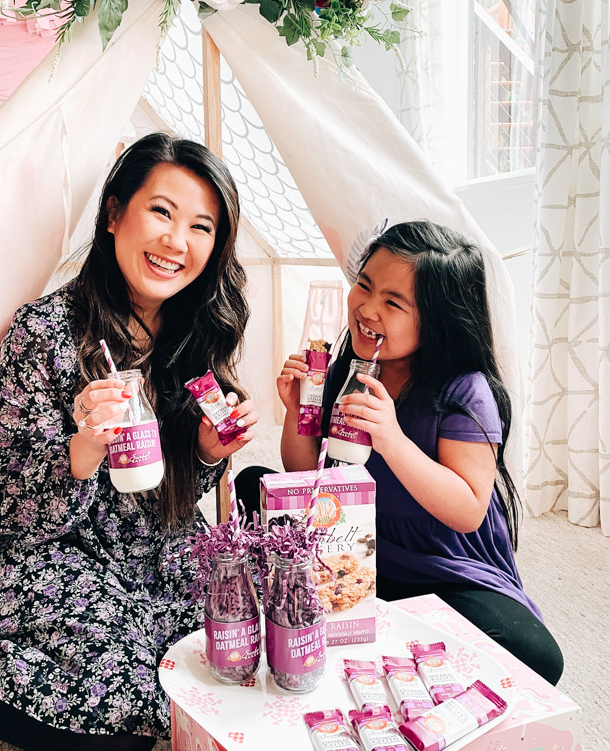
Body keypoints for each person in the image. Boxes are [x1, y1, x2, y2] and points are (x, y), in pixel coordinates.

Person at [0, 132, 259, 751]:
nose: (176, 242)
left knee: (246, 640)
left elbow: (178, 491)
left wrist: (209, 453)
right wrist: (82, 449)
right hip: (46, 553)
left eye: (200, 227)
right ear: (113, 213)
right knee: (121, 730)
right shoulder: (43, 331)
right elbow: (10, 508)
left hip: (155, 552)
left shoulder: (197, 335)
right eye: (161, 211)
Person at [241, 220, 563, 685]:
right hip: (355, 546)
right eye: (364, 286)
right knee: (258, 482)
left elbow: (469, 510)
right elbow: (307, 472)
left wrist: (391, 438)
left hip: (442, 564)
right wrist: (297, 410)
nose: (367, 308)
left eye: (393, 303)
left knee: (536, 658)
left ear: (437, 322)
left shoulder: (464, 392)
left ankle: (384, 621)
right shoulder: (347, 368)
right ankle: (374, 615)